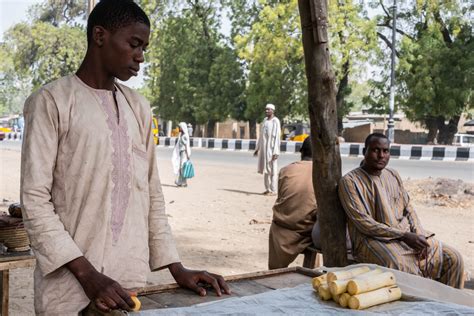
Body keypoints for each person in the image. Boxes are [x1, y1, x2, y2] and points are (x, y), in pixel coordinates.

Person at [20, 1, 230, 315]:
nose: (140, 56)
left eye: (144, 47)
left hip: (128, 282)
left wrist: (177, 268)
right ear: (100, 36)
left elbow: (151, 193)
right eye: (133, 44)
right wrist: (89, 276)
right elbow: (35, 201)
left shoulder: (139, 107)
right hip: (69, 287)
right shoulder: (51, 102)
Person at [338, 133, 464, 288]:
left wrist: (419, 235)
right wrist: (403, 236)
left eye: (385, 151)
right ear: (364, 151)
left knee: (453, 258)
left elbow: (408, 208)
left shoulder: (393, 175)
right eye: (375, 150)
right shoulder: (350, 182)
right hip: (372, 240)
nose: (381, 156)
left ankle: (447, 308)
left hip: (406, 235)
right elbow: (364, 223)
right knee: (399, 265)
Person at [268, 137, 317, 269]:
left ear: (301, 151)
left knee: (275, 271)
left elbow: (283, 197)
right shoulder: (322, 173)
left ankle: (274, 271)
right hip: (308, 230)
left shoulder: (286, 170)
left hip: (282, 229)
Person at [254, 103, 281, 196]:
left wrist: (276, 151)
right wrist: (257, 148)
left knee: (273, 170)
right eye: (266, 109)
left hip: (272, 150)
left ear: (273, 111)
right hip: (264, 150)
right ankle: (267, 189)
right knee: (266, 170)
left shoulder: (275, 121)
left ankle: (273, 190)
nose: (266, 111)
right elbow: (261, 136)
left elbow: (277, 137)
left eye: (268, 109)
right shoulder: (265, 120)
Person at [172, 122, 192, 187]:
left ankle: (182, 182)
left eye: (180, 127)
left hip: (184, 153)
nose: (179, 128)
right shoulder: (181, 135)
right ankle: (182, 182)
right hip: (181, 152)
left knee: (182, 167)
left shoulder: (185, 135)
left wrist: (187, 154)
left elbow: (186, 145)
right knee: (181, 167)